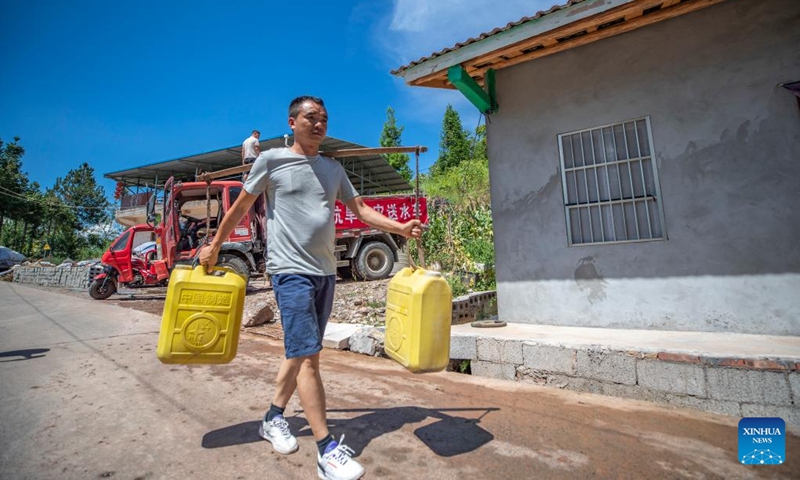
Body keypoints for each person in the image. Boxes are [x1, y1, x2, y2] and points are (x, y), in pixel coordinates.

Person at [199, 96, 422, 480]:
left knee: (304, 353)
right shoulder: (270, 161)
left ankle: (272, 418)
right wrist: (216, 243)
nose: (319, 124)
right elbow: (240, 206)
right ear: (292, 122)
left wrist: (399, 228)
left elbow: (360, 209)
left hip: (325, 273)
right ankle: (325, 450)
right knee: (306, 356)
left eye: (324, 119)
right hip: (290, 271)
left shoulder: (333, 168)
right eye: (311, 118)